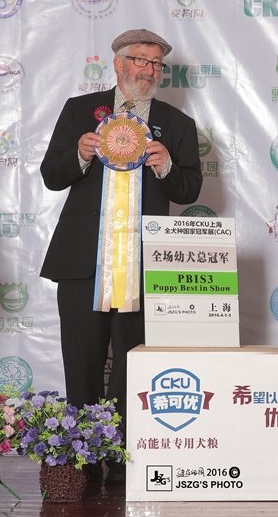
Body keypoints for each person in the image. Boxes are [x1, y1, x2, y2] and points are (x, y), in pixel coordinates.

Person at [40, 28, 202, 479]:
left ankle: (125, 461)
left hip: (144, 267)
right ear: (118, 63)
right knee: (82, 361)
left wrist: (166, 166)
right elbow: (51, 175)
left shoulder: (178, 123)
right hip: (81, 263)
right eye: (140, 60)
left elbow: (189, 189)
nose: (148, 70)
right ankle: (82, 462)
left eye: (156, 63)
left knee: (134, 365)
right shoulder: (79, 111)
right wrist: (79, 154)